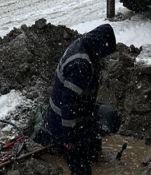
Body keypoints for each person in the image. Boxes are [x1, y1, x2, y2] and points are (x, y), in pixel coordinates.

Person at [43, 24, 118, 175]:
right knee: (81, 169)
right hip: (62, 122)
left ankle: (89, 151)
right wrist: (68, 138)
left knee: (107, 121)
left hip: (70, 115)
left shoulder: (82, 45)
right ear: (100, 47)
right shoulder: (82, 65)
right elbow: (68, 103)